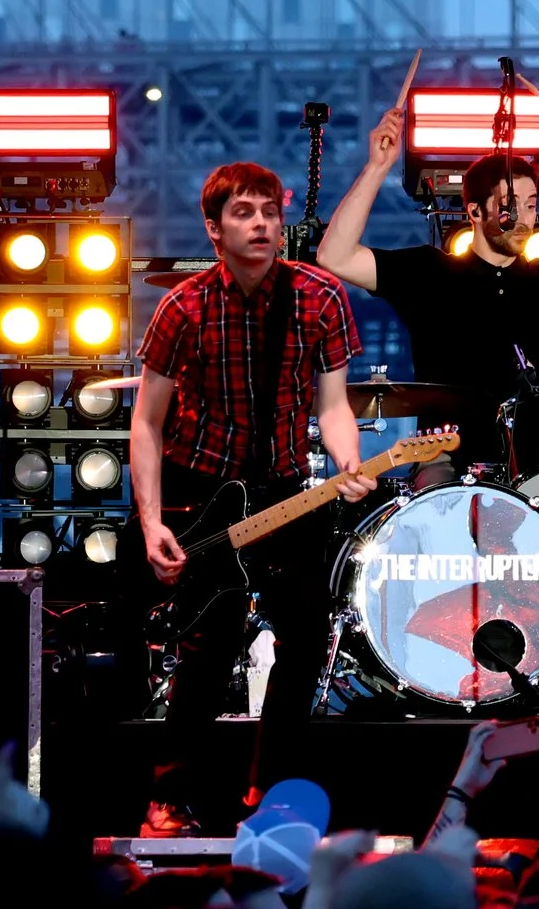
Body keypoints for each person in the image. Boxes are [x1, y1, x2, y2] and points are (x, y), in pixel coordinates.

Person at [132, 162, 377, 836]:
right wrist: (153, 521)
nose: (263, 222)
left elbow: (334, 408)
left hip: (286, 492)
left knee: (305, 636)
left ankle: (272, 795)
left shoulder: (320, 298)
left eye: (269, 210)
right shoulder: (182, 306)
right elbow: (146, 422)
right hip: (202, 492)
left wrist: (348, 461)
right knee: (207, 646)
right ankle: (170, 795)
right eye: (244, 212)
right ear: (214, 229)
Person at [316, 111, 539, 480]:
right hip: (442, 455)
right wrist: (377, 167)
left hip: (528, 456)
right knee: (434, 499)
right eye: (510, 204)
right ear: (475, 211)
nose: (524, 217)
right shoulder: (429, 272)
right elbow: (334, 256)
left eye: (531, 204)